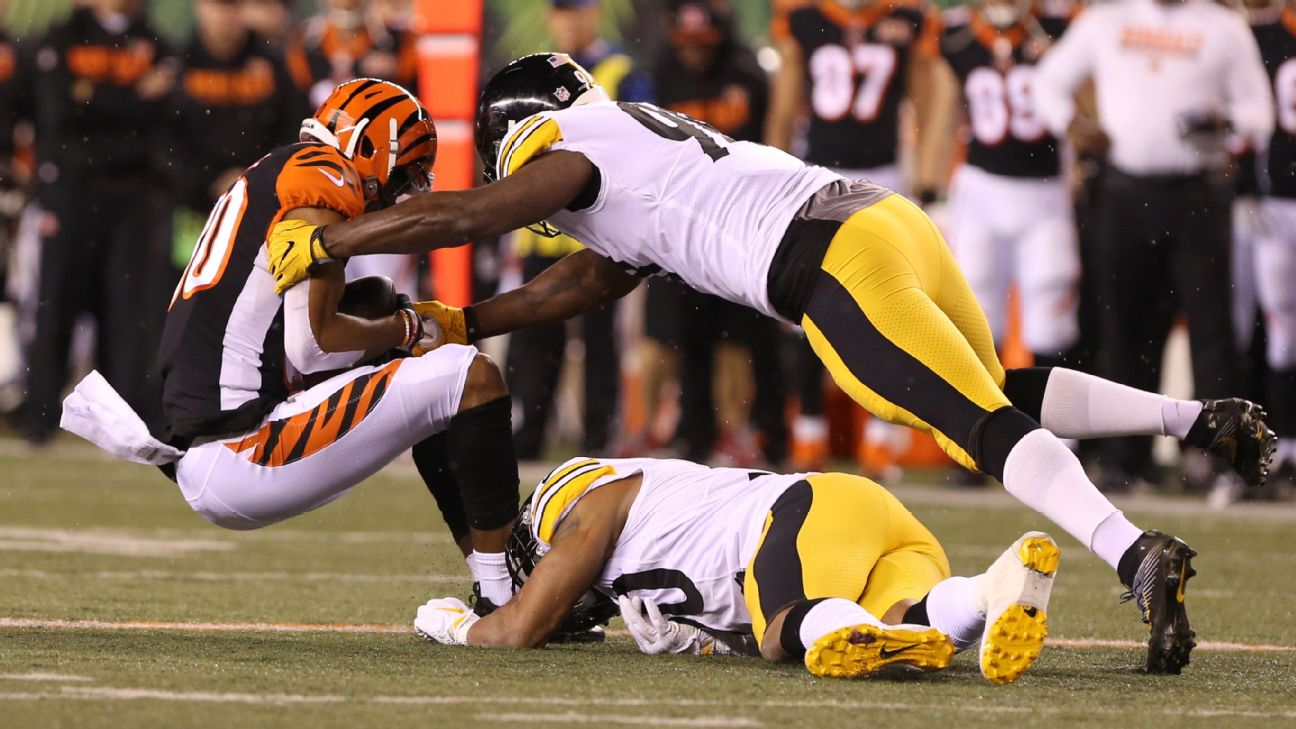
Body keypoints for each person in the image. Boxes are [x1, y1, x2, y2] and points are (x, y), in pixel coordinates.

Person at [265, 53, 1278, 674]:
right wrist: (467, 319)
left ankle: (1133, 550)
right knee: (992, 391)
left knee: (975, 427)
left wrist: (336, 242)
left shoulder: (566, 145)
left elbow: (474, 210)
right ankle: (1191, 418)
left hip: (825, 265)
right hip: (883, 222)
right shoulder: (631, 149)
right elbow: (588, 285)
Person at [59, 80, 521, 613]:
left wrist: (402, 326)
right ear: (374, 148)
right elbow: (315, 349)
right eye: (402, 174)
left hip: (221, 441)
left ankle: (500, 579)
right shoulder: (324, 178)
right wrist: (409, 330)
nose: (396, 194)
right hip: (241, 449)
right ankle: (504, 593)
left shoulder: (281, 168)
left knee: (381, 308)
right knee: (470, 376)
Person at [412, 455, 1061, 685]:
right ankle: (991, 590)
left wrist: (457, 625)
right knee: (901, 619)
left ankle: (886, 634)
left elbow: (519, 629)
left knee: (785, 633)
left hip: (801, 512)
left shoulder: (578, 501)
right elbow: (723, 581)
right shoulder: (649, 526)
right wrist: (702, 642)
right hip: (853, 519)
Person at [1032, 0, 1275, 493]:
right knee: (1125, 328)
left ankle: (1218, 460)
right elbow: (1047, 81)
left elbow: (1259, 112)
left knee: (1211, 329)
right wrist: (1072, 124)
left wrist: (1224, 120)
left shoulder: (1222, 26)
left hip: (1197, 192)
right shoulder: (1107, 19)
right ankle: (1126, 459)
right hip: (1124, 192)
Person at [765, 0, 954, 475]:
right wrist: (766, 175)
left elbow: (924, 102)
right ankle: (808, 433)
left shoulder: (906, 18)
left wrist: (927, 177)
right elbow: (786, 105)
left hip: (882, 177)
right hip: (815, 176)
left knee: (882, 309)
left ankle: (878, 437)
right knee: (799, 309)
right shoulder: (804, 18)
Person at [21, 0, 177, 445]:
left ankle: (120, 423)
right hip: (70, 192)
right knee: (56, 303)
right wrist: (133, 98)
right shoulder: (61, 38)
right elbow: (58, 110)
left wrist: (96, 97)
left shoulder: (156, 42)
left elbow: (168, 112)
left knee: (127, 312)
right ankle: (39, 417)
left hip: (133, 198)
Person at [505, 0, 653, 459]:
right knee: (535, 338)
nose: (569, 20)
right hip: (540, 230)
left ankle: (597, 437)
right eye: (561, 11)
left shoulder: (620, 72)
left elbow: (642, 146)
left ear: (595, 14)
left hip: (597, 234)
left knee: (598, 342)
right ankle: (530, 432)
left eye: (576, 10)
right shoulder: (534, 74)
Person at [644, 0, 787, 466]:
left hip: (745, 222)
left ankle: (770, 435)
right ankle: (696, 439)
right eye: (686, 43)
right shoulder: (664, 72)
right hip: (689, 225)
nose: (693, 54)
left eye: (701, 43)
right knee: (692, 337)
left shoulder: (748, 72)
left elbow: (770, 145)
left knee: (756, 337)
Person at [938, 0, 1078, 369]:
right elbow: (943, 108)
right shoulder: (954, 34)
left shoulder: (1061, 23)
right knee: (975, 316)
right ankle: (985, 423)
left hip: (1045, 192)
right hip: (980, 191)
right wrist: (929, 181)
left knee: (1052, 320)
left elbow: (1089, 99)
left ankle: (1055, 424)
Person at [286, 0, 420, 293]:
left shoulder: (398, 41)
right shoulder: (307, 44)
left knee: (387, 293)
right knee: (322, 296)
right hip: (323, 189)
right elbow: (291, 122)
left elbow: (420, 119)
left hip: (381, 191)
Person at [166, 0, 308, 276]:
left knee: (256, 288)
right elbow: (165, 137)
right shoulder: (179, 62)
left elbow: (293, 130)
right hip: (191, 209)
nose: (224, 15)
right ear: (199, 7)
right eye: (217, 6)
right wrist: (207, 179)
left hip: (260, 204)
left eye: (232, 5)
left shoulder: (273, 63)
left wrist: (252, 177)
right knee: (190, 283)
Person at [1238, 0, 1296, 498]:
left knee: (1281, 331)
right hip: (1276, 203)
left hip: (1275, 200)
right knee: (1280, 330)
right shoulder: (1261, 37)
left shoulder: (1266, 38)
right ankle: (1284, 448)